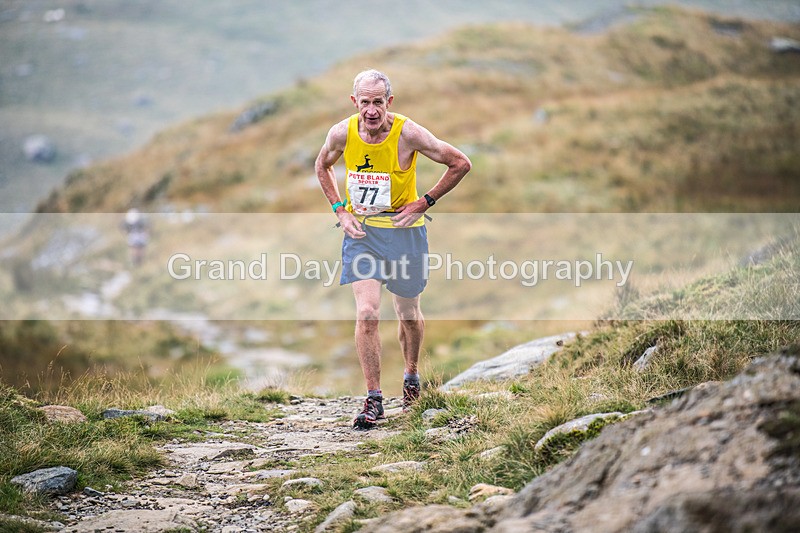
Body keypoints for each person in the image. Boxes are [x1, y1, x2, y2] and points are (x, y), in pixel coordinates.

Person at [315, 69, 472, 429]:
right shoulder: (341, 132)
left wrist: (424, 202)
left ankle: (411, 376)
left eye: (378, 102)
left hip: (405, 235)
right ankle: (373, 399)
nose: (372, 111)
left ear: (390, 101)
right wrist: (340, 210)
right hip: (363, 235)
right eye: (365, 102)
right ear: (355, 102)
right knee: (368, 313)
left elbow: (460, 163)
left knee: (408, 313)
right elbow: (322, 165)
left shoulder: (408, 133)